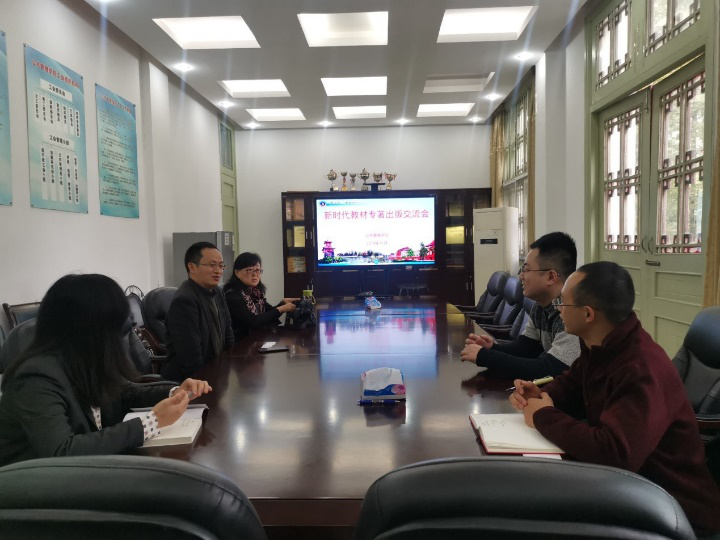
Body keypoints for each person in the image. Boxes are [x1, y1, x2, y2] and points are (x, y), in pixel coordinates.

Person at [510, 261, 720, 535]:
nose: (558, 309)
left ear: (588, 314)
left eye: (563, 303)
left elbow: (615, 453)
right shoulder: (599, 343)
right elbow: (572, 386)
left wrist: (543, 415)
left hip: (672, 509)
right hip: (627, 489)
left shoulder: (640, 368)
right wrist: (541, 394)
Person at [0, 274, 212, 466]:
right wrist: (152, 423)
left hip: (86, 473)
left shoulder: (85, 358)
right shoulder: (35, 378)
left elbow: (125, 393)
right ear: (88, 327)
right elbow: (62, 452)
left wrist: (174, 392)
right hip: (33, 488)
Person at [460, 231, 580, 379]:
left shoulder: (572, 312)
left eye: (526, 270)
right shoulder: (540, 307)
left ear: (551, 277)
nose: (520, 276)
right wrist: (492, 348)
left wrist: (485, 357)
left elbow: (548, 369)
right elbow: (526, 347)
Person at [161, 242, 234, 382]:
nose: (218, 271)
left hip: (217, 372)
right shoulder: (184, 301)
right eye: (212, 265)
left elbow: (228, 332)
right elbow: (190, 357)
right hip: (189, 381)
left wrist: (230, 366)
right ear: (192, 267)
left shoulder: (218, 292)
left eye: (221, 265)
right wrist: (206, 383)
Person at [223, 252, 298, 339]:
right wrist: (281, 309)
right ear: (237, 272)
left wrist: (283, 303)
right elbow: (253, 322)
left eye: (258, 270)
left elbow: (268, 313)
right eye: (250, 270)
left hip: (256, 339)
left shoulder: (255, 293)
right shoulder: (232, 295)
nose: (255, 274)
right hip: (241, 342)